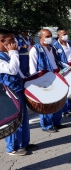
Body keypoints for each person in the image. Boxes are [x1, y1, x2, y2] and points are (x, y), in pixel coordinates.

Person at [0, 28, 37, 156]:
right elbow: (12, 69)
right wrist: (14, 52)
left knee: (23, 118)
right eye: (11, 40)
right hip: (7, 94)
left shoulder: (7, 54)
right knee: (13, 120)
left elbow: (19, 72)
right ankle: (12, 148)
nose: (15, 43)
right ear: (2, 40)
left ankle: (24, 143)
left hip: (18, 89)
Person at [29, 29, 68, 133]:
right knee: (46, 102)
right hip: (44, 78)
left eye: (50, 36)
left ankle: (56, 122)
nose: (49, 38)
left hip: (56, 75)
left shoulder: (52, 48)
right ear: (40, 37)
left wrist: (66, 67)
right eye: (47, 36)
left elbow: (57, 62)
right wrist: (37, 81)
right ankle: (47, 125)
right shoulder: (35, 49)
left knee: (57, 100)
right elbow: (32, 68)